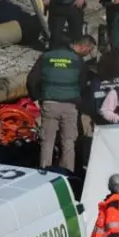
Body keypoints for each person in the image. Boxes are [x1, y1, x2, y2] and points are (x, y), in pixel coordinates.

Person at [26, 35, 94, 172]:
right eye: (89, 50)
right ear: (83, 46)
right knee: (68, 142)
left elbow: (32, 80)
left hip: (49, 103)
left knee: (47, 141)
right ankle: (67, 174)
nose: (88, 54)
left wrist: (37, 98)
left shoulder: (45, 57)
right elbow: (82, 85)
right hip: (70, 105)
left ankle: (44, 172)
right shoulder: (78, 61)